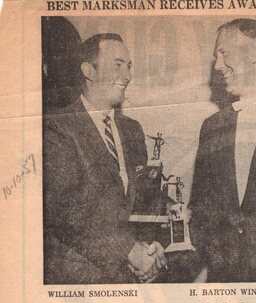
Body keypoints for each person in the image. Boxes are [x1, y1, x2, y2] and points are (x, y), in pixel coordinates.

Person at [43, 33, 166, 284]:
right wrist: (128, 251)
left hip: (130, 277)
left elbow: (142, 200)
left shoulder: (133, 129)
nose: (128, 76)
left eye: (129, 66)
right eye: (117, 65)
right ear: (89, 70)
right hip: (80, 279)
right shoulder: (57, 128)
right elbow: (65, 211)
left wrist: (153, 246)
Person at [189, 19, 256, 283]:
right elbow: (200, 209)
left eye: (224, 54)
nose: (217, 66)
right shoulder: (212, 127)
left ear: (254, 53)